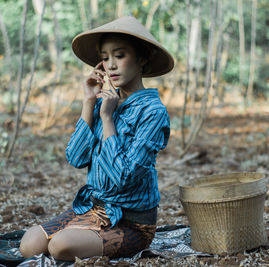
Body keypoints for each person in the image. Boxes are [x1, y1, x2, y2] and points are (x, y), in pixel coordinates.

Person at [19, 16, 174, 261]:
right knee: (29, 245)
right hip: (94, 210)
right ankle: (79, 233)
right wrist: (89, 101)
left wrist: (107, 119)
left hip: (132, 223)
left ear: (142, 58)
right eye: (105, 57)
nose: (111, 65)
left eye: (120, 55)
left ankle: (83, 238)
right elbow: (76, 157)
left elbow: (124, 177)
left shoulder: (153, 112)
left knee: (60, 247)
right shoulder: (103, 102)